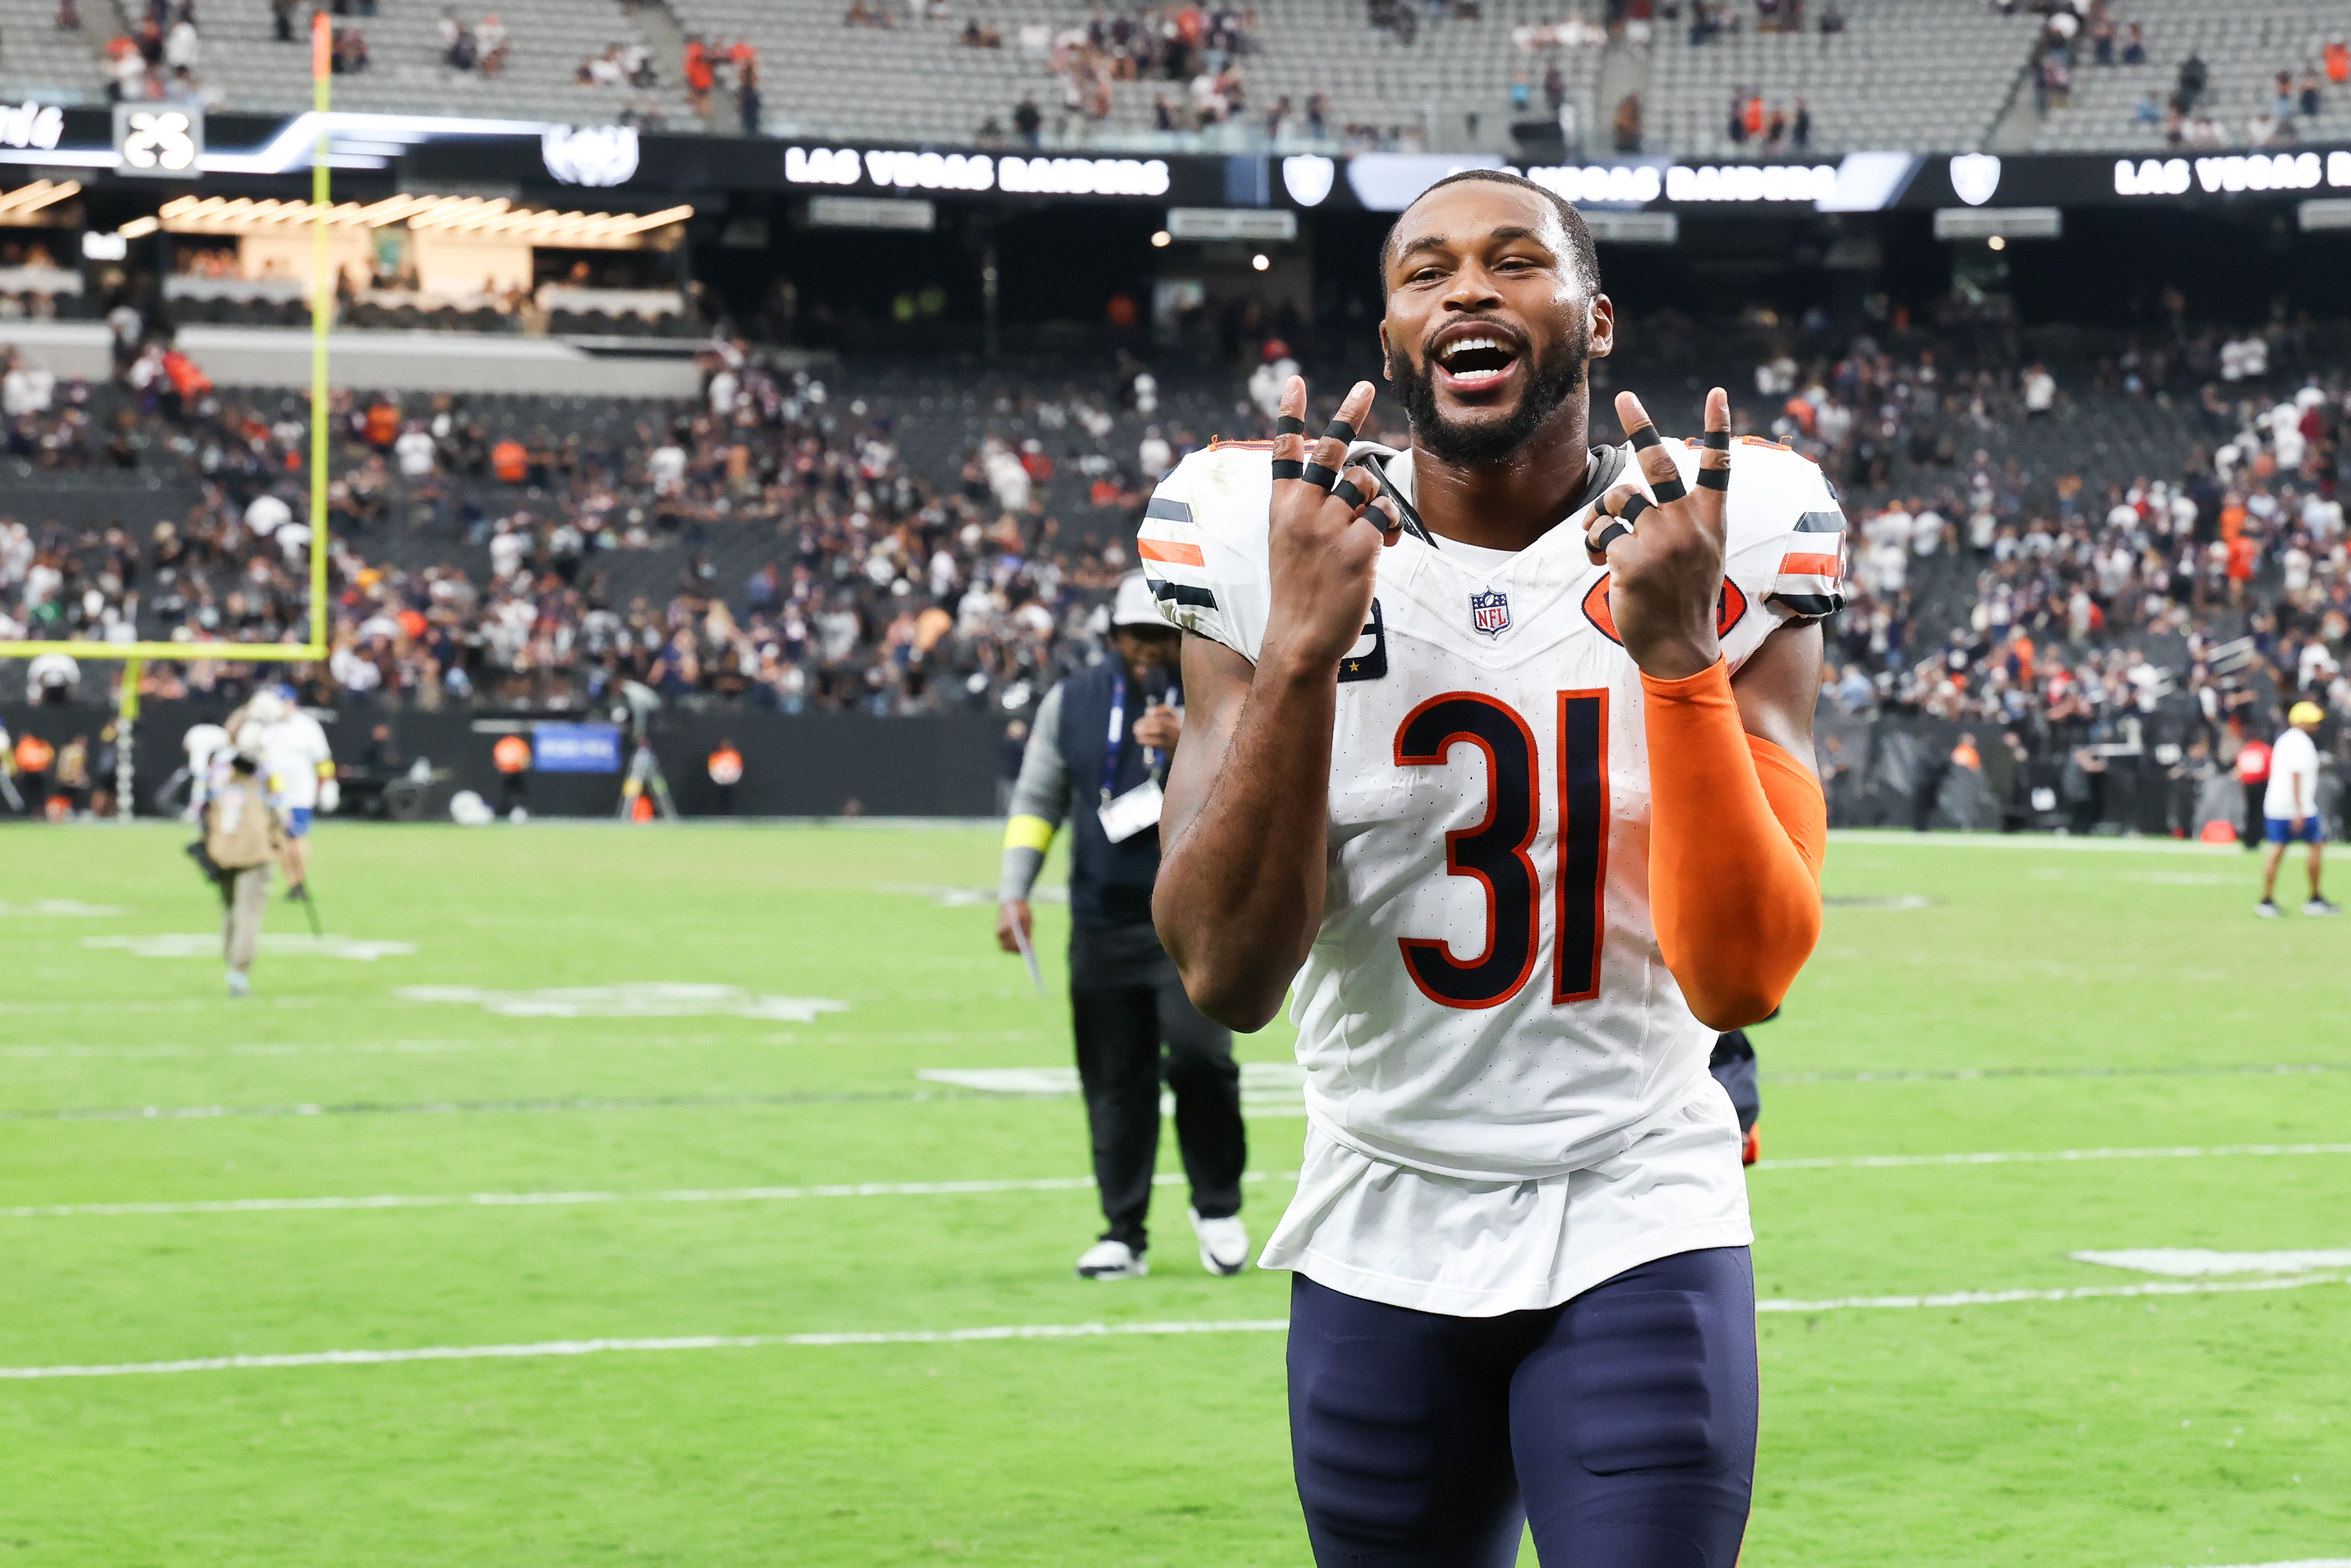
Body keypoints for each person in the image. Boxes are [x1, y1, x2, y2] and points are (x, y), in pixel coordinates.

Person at [1142, 169, 1840, 1565]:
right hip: (1376, 1212)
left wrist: (1678, 659)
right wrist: (1296, 652)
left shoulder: (1731, 514)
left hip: (1638, 1197)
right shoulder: (1254, 521)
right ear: (1393, 338)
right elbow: (1224, 972)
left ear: (1595, 319)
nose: (1468, 287)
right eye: (1426, 272)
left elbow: (1745, 973)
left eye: (1517, 261)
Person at [996, 571, 1249, 1282]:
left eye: (1160, 636)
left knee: (1203, 1060)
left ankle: (1217, 1203)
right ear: (1112, 636)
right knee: (1113, 1080)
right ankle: (1123, 1231)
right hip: (1101, 920)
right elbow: (1038, 794)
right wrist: (1015, 888)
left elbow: (1254, 787)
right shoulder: (1071, 701)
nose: (1147, 650)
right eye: (1135, 635)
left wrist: (1188, 748)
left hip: (1191, 923)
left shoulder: (1217, 692)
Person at [233, 686, 336, 901]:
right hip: (272, 791)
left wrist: (327, 784)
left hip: (299, 792)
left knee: (296, 836)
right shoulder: (267, 726)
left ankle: (299, 881)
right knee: (279, 840)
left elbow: (322, 758)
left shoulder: (307, 726)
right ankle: (292, 882)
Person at [204, 749, 283, 998]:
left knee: (230, 912)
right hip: (253, 857)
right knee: (248, 915)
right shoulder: (261, 793)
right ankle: (239, 974)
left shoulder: (221, 791)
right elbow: (279, 821)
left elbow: (207, 819)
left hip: (222, 856)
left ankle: (231, 960)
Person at [2256, 701, 2338, 917]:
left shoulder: (2284, 739)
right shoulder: (2300, 743)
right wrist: (2299, 810)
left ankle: (2267, 899)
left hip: (2277, 804)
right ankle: (2314, 898)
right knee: (2312, 845)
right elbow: (2296, 775)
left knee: (2278, 849)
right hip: (2296, 807)